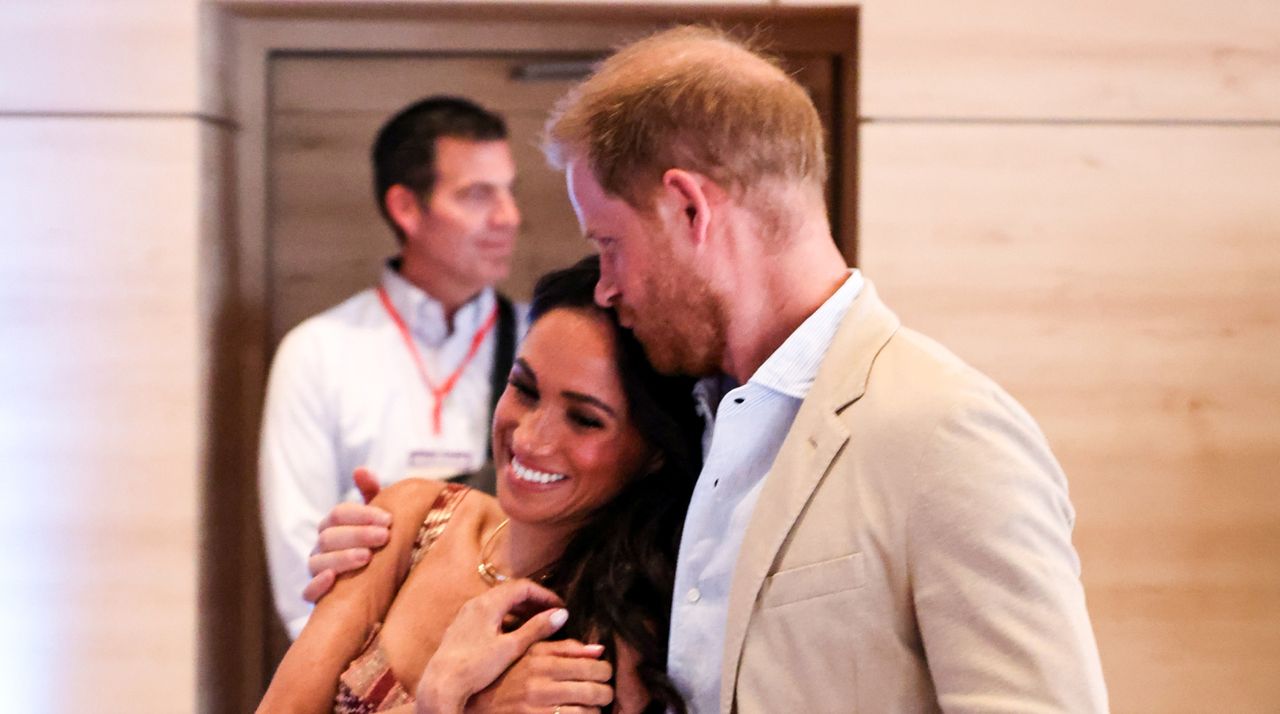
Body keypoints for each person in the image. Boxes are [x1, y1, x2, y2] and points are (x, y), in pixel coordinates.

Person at [314, 26, 1110, 713]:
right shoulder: (691, 412)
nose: (605, 285)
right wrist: (398, 539)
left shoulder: (945, 431)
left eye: (610, 243)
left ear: (690, 208)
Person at [257, 257, 703, 714]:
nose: (530, 437)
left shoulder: (617, 642)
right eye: (524, 389)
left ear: (655, 452)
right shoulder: (413, 516)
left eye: (584, 420)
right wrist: (459, 704)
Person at [260, 96, 526, 639]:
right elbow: (301, 578)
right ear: (406, 208)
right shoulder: (318, 351)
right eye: (478, 195)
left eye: (509, 191)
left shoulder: (539, 342)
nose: (509, 217)